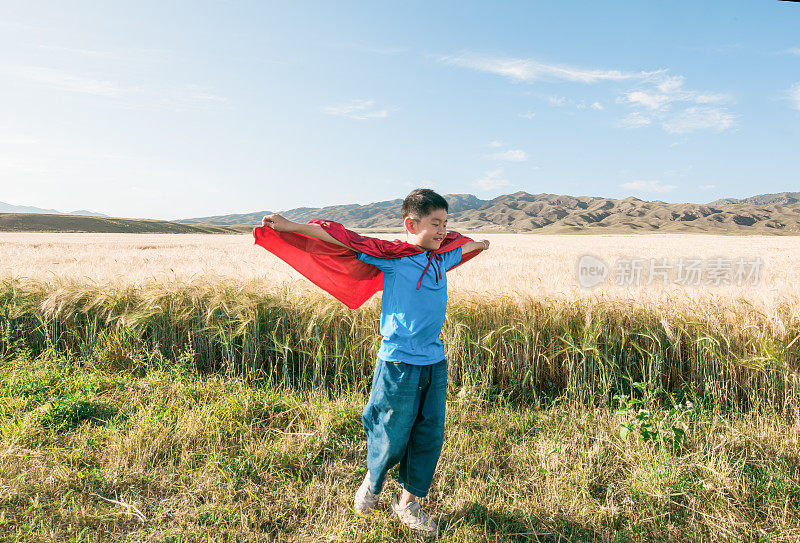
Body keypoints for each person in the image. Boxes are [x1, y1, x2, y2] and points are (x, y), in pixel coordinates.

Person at [259, 189, 489, 538]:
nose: (443, 231)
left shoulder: (442, 258)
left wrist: (481, 244)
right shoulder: (393, 258)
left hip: (434, 361)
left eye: (446, 223)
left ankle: (408, 503)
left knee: (429, 434)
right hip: (397, 362)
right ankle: (374, 480)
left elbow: (464, 246)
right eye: (435, 223)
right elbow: (341, 238)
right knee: (391, 430)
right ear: (411, 224)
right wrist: (290, 225)